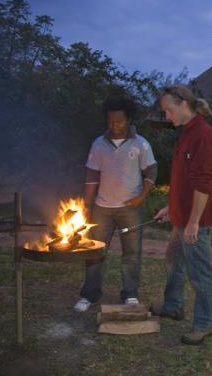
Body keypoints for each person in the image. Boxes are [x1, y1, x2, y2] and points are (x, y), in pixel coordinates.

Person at [152, 85, 212, 345]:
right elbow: (183, 179)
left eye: (168, 110)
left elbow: (205, 181)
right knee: (174, 260)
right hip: (182, 217)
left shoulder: (203, 134)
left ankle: (206, 323)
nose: (167, 116)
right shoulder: (185, 134)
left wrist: (193, 221)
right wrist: (172, 207)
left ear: (183, 104)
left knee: (199, 271)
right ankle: (173, 305)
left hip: (196, 221)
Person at [74, 97, 157, 312]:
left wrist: (142, 195)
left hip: (130, 208)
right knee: (94, 251)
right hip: (102, 208)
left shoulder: (141, 143)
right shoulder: (98, 144)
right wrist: (87, 203)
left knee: (131, 253)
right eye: (110, 121)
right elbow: (91, 176)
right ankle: (90, 294)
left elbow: (151, 170)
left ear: (128, 120)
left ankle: (130, 293)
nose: (114, 125)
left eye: (119, 122)